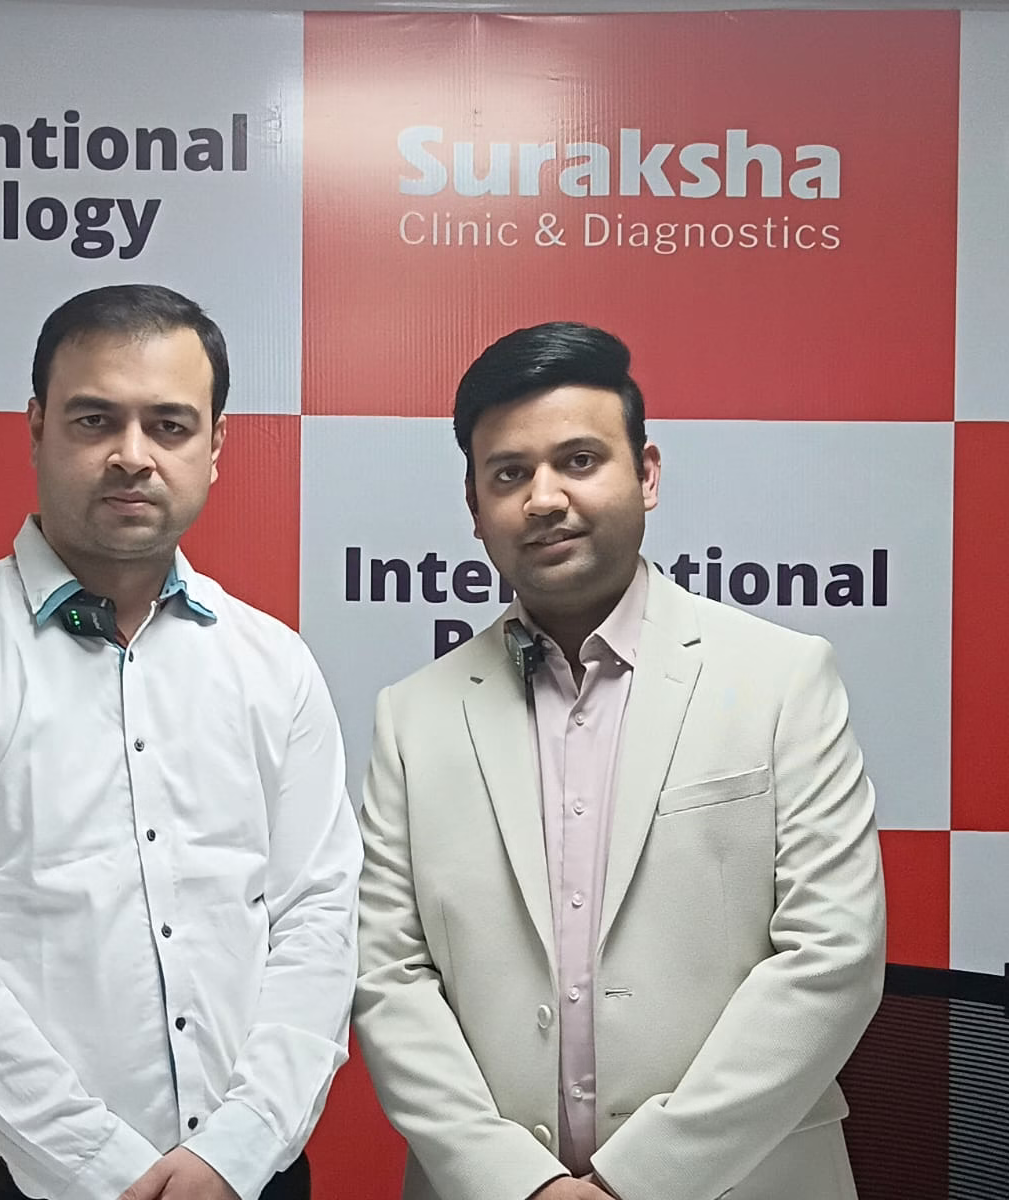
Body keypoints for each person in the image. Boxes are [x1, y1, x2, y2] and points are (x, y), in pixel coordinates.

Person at [0, 284, 360, 1200]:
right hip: (23, 1182)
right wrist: (106, 1168)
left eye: (169, 425)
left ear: (215, 445)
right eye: (95, 420)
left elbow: (317, 920)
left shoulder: (274, 665)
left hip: (248, 1178)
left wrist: (237, 1150)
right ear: (36, 428)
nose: (133, 455)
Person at [352, 322, 886, 1200]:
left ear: (647, 473)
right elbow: (389, 978)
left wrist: (637, 1182)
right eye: (509, 474)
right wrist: (520, 1184)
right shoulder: (413, 718)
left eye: (579, 460)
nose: (544, 499)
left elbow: (833, 958)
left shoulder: (783, 679)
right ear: (475, 507)